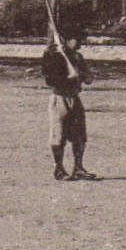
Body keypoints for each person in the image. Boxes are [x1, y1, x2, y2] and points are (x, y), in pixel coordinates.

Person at [43, 29, 95, 181]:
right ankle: (59, 169)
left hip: (75, 98)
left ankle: (78, 167)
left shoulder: (77, 57)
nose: (79, 43)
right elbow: (50, 81)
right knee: (58, 136)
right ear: (65, 40)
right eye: (75, 39)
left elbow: (89, 79)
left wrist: (82, 74)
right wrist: (68, 76)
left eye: (80, 40)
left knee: (79, 136)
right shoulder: (52, 57)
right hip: (60, 98)